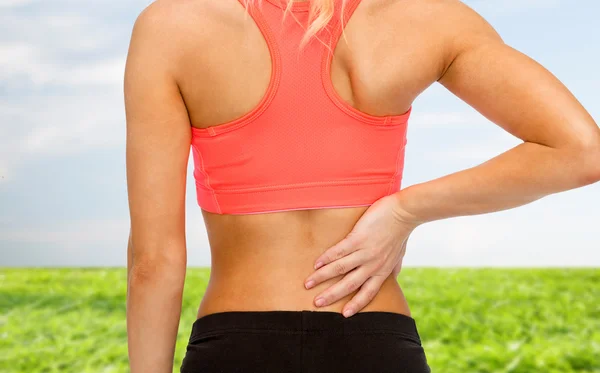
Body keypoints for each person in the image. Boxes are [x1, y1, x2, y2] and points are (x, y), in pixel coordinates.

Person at [123, 0, 600, 372]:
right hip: (374, 341)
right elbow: (581, 150)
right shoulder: (424, 18)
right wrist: (404, 211)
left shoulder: (172, 26)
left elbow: (154, 261)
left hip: (236, 344)